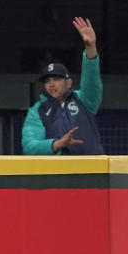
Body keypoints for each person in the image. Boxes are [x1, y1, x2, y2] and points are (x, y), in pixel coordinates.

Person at [22, 17, 103, 155]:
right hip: (57, 174)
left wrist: (90, 47)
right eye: (47, 81)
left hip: (91, 171)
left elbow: (91, 79)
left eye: (56, 79)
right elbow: (29, 146)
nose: (51, 84)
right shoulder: (37, 111)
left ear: (69, 82)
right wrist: (57, 144)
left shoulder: (84, 100)